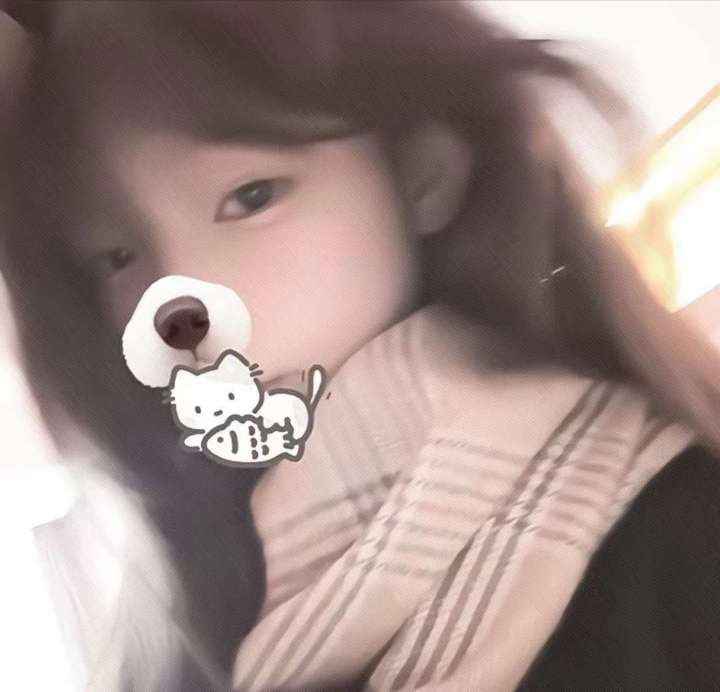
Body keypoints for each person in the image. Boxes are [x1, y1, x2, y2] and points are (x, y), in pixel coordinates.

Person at [2, 1, 720, 690]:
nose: (180, 303)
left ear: (421, 173)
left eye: (252, 197)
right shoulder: (169, 608)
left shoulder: (683, 527)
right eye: (117, 256)